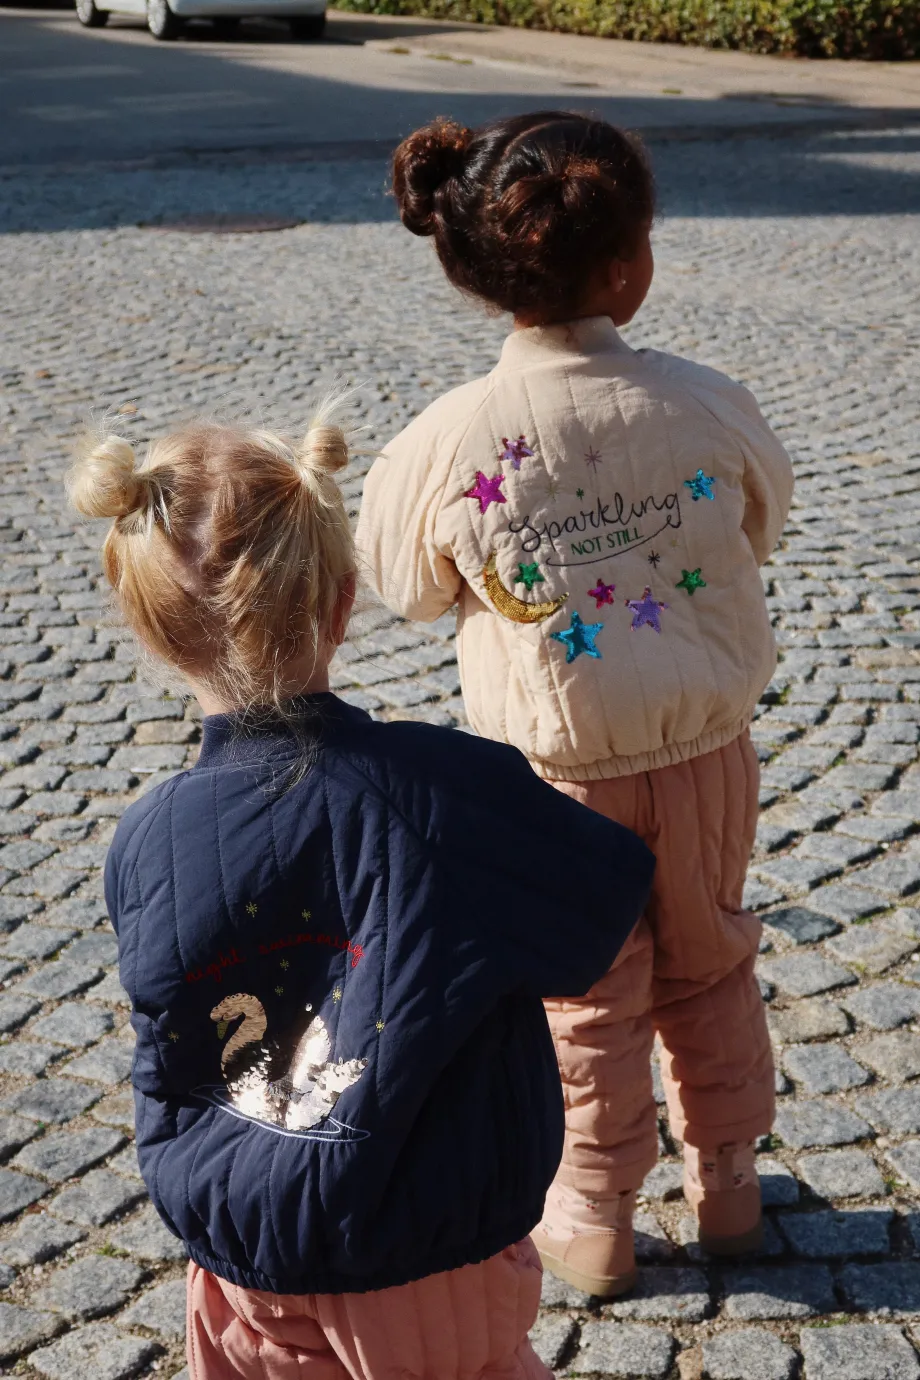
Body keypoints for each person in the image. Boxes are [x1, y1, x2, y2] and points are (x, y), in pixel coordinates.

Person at [70, 414, 654, 1379]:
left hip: (237, 1263)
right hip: (426, 1257)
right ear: (342, 603)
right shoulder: (447, 792)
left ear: (150, 626)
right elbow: (604, 909)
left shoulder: (147, 840)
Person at [356, 111, 795, 1299]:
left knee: (583, 994)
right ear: (624, 265)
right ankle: (730, 1188)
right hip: (704, 751)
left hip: (552, 780)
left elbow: (399, 583)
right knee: (708, 963)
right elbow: (762, 518)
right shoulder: (704, 401)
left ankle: (594, 1216)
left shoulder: (446, 442)